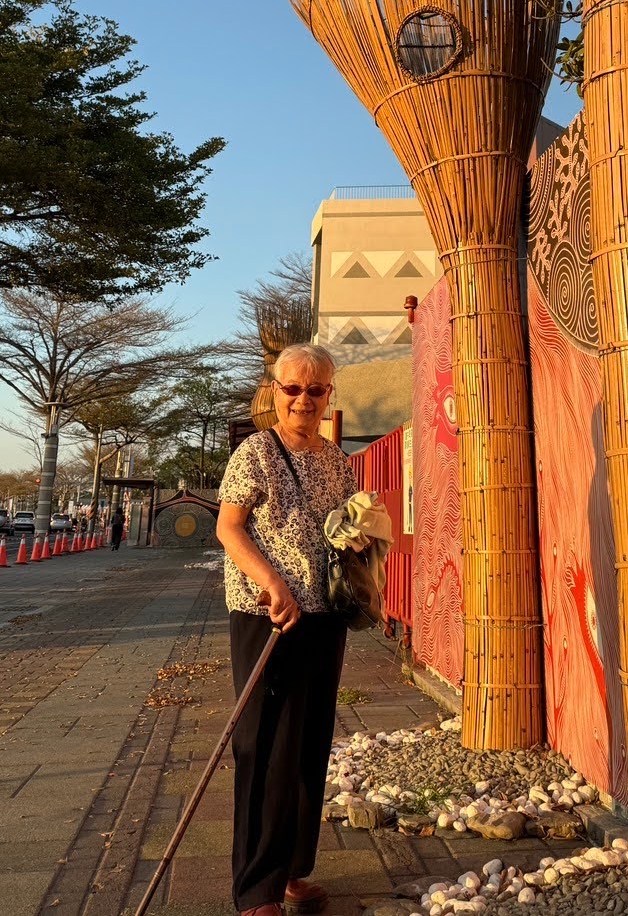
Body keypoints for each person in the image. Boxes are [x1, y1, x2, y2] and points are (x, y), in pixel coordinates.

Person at [216, 343, 357, 916]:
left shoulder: (337, 459)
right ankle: (256, 888)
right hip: (266, 616)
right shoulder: (254, 452)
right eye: (292, 388)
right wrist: (273, 583)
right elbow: (229, 528)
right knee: (263, 745)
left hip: (323, 616)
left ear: (329, 395)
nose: (303, 399)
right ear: (274, 390)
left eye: (315, 389)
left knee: (309, 743)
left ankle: (294, 871)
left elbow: (350, 527)